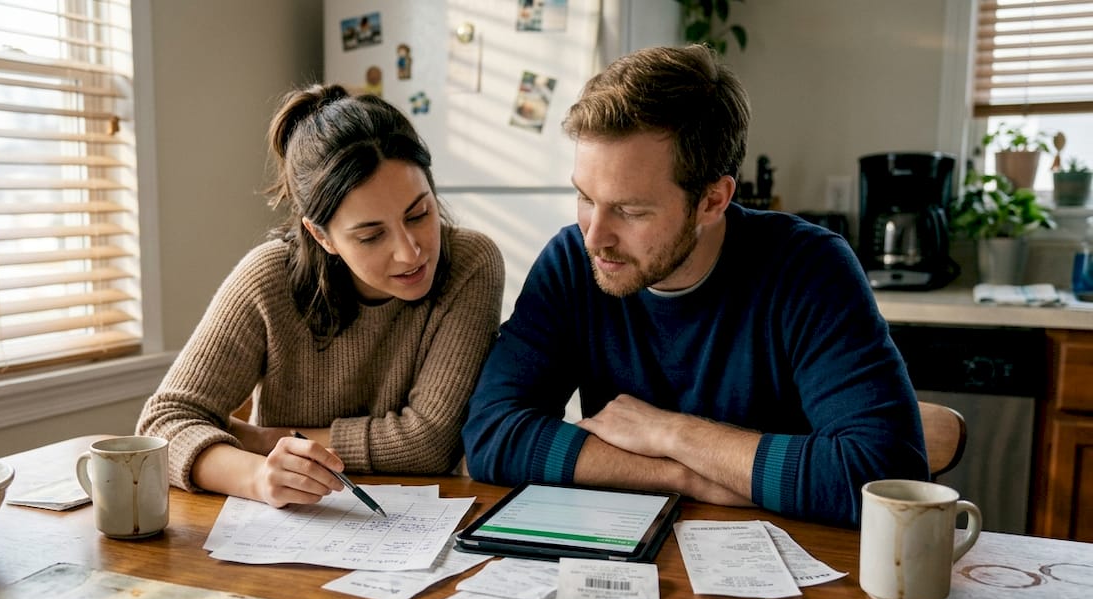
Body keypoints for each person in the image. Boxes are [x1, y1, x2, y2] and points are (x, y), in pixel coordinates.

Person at [461, 45, 925, 527]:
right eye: (584, 197)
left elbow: (886, 478)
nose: (594, 237)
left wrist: (671, 433)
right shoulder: (570, 263)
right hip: (623, 554)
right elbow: (492, 435)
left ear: (713, 200)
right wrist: (683, 477)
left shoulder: (809, 269)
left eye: (631, 211)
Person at [140, 84, 504, 508]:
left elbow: (428, 443)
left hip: (422, 521)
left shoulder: (470, 263)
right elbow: (161, 426)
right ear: (321, 235)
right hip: (290, 525)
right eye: (371, 235)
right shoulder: (269, 277)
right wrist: (258, 477)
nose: (410, 251)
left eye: (419, 214)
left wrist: (267, 440)